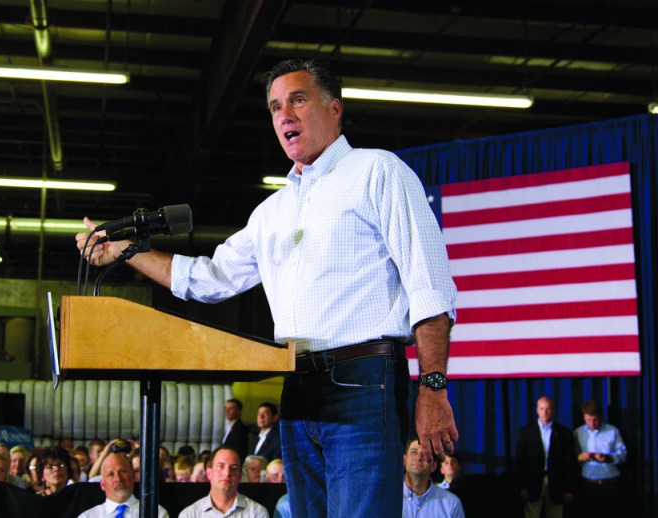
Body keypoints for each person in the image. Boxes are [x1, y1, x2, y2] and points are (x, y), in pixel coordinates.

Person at [76, 57, 458, 517]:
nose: (284, 116)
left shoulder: (378, 172)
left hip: (363, 386)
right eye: (276, 107)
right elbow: (207, 278)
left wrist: (433, 388)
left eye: (298, 100)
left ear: (334, 109)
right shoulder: (270, 212)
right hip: (295, 389)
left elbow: (429, 286)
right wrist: (126, 251)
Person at [515, 396, 576, 518]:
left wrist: (570, 489)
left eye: (548, 409)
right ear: (537, 410)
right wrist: (522, 486)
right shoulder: (526, 432)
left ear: (553, 410)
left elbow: (570, 462)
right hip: (532, 482)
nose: (545, 412)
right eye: (542, 409)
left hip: (557, 483)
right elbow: (520, 461)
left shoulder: (564, 433)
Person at [178, 447, 268, 518]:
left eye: (234, 468)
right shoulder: (189, 515)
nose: (227, 473)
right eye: (220, 466)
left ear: (240, 476)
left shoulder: (257, 513)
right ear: (209, 473)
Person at [573, 399, 626, 516]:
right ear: (583, 417)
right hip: (588, 486)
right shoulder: (577, 433)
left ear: (600, 417)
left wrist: (608, 458)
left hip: (610, 485)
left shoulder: (612, 431)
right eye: (589, 420)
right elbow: (570, 458)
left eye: (595, 420)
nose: (592, 423)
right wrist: (580, 457)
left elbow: (623, 455)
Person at [78, 452, 168, 518]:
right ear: (102, 484)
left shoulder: (156, 513)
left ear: (133, 477)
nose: (118, 478)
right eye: (111, 474)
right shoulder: (87, 516)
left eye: (123, 471)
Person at [403, 438, 465, 518]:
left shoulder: (452, 503)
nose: (418, 458)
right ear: (404, 460)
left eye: (425, 454)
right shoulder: (387, 498)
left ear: (434, 466)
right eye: (414, 452)